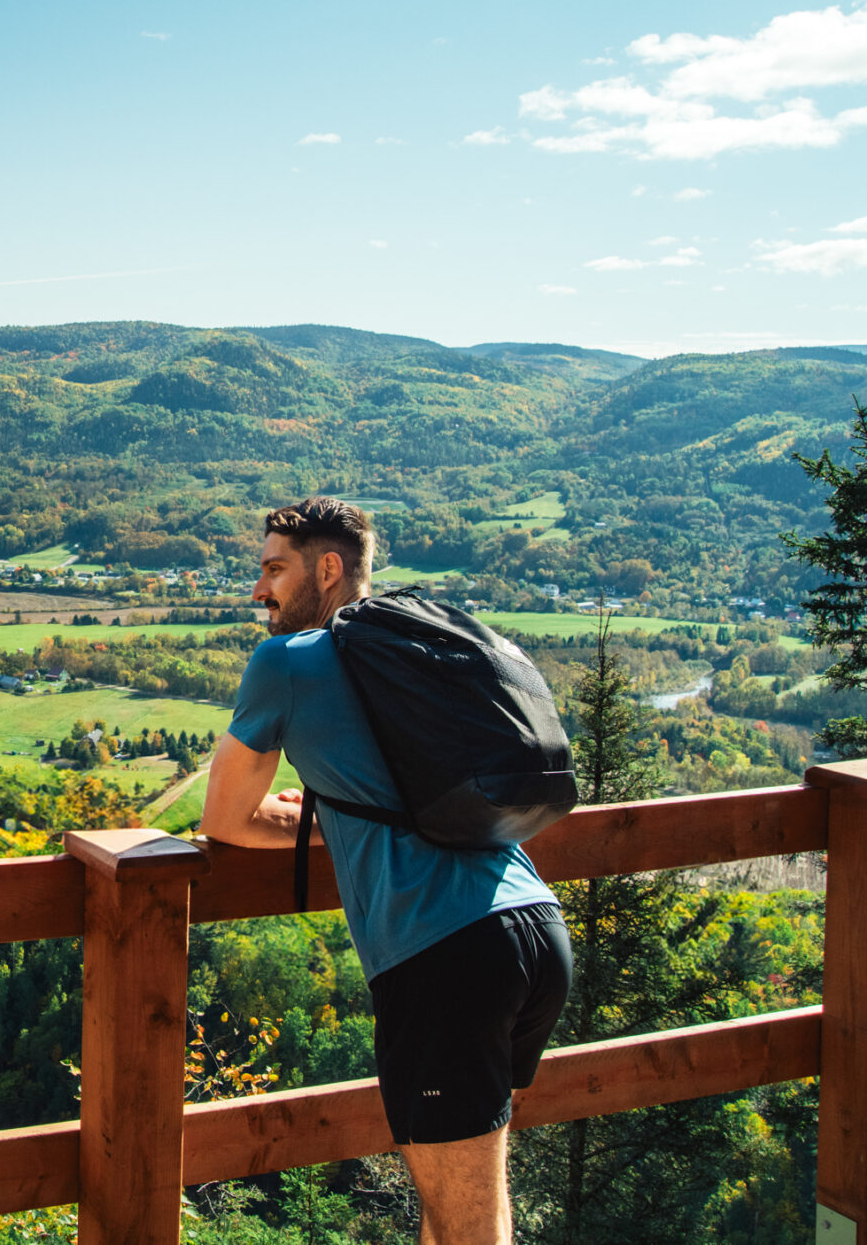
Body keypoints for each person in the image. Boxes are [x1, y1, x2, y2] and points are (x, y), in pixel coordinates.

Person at [200, 496, 570, 1245]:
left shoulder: (287, 661)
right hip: (531, 927)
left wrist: (322, 821)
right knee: (464, 1211)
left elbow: (225, 819)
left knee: (469, 1229)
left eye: (274, 569)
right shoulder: (422, 644)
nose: (257, 590)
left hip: (441, 957)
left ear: (327, 568)